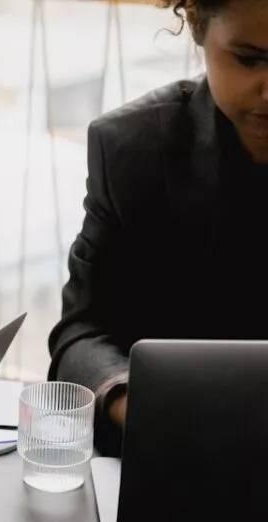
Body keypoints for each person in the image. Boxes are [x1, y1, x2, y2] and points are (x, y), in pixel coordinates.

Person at [49, 0, 268, 454]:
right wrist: (142, 409)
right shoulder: (133, 151)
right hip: (178, 461)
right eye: (249, 59)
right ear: (197, 27)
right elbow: (82, 334)